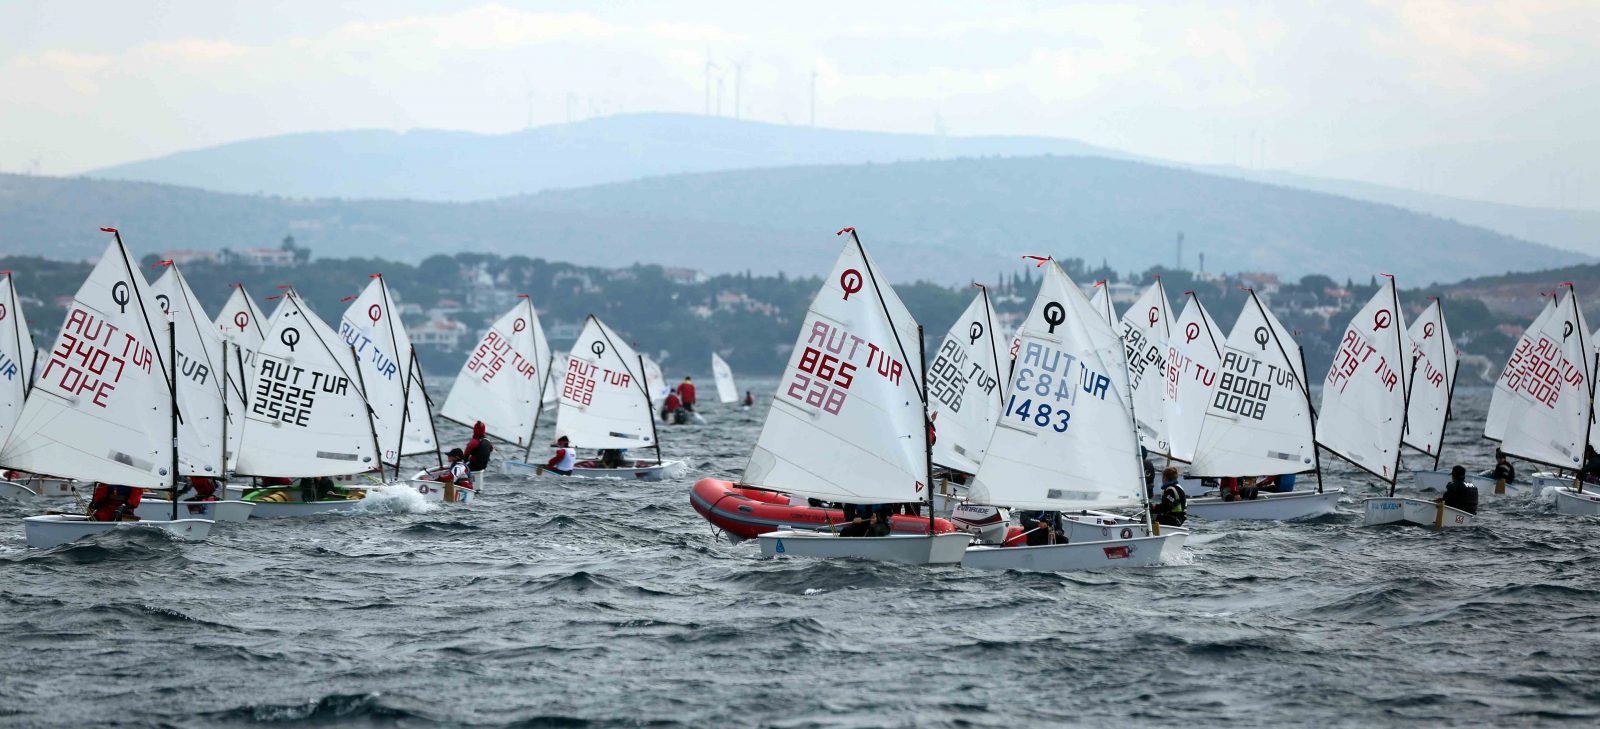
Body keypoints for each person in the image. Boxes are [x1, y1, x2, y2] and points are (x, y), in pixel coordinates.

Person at [465, 421, 494, 494]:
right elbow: (490, 449)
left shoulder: (474, 442)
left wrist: (462, 463)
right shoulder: (488, 442)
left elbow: (465, 455)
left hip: (473, 467)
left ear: (475, 430)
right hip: (482, 467)